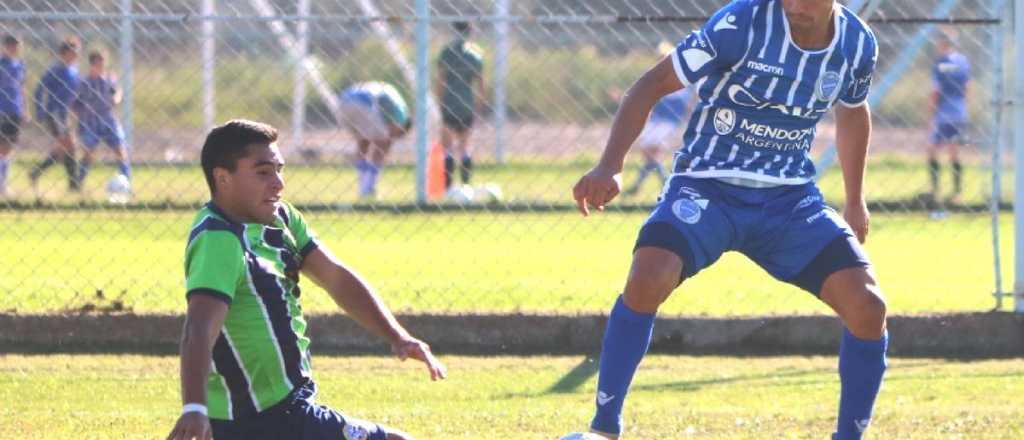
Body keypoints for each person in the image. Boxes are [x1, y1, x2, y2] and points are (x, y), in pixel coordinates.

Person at [570, 1, 887, 440]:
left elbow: (852, 110)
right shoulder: (741, 21)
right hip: (706, 187)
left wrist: (855, 200)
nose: (794, 5)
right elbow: (652, 84)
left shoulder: (857, 43)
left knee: (868, 307)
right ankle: (604, 429)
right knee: (647, 276)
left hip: (789, 201)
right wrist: (610, 165)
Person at [165, 120, 445, 440]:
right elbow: (199, 327)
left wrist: (397, 336)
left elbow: (335, 277)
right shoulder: (219, 238)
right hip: (266, 418)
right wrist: (194, 408)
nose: (278, 183)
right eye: (263, 172)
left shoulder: (281, 219)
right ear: (222, 178)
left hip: (286, 409)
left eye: (279, 170)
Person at [338, 81, 412, 199]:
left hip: (344, 101)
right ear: (403, 127)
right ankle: (367, 188)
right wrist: (389, 138)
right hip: (366, 102)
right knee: (383, 145)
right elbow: (391, 131)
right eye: (399, 135)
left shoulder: (388, 89)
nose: (395, 138)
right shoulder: (402, 114)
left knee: (363, 142)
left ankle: (363, 186)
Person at [435, 21, 485, 190]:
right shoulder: (475, 54)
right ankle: (466, 185)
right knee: (464, 146)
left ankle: (448, 187)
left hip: (449, 102)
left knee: (447, 146)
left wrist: (440, 103)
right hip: (467, 103)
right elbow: (481, 84)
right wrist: (478, 106)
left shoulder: (447, 52)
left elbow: (440, 80)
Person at [73, 50, 130, 192]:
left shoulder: (109, 80)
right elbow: (75, 103)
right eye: (98, 64)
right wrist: (82, 114)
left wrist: (116, 98)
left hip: (109, 120)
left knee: (120, 151)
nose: (101, 67)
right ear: (92, 65)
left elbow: (117, 91)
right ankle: (78, 184)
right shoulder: (84, 83)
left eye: (103, 64)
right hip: (90, 122)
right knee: (89, 154)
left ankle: (127, 183)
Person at [29, 37, 80, 193]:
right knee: (69, 145)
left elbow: (75, 93)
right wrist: (40, 111)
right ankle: (73, 185)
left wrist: (78, 107)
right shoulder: (55, 70)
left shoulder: (74, 70)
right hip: (55, 112)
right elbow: (39, 90)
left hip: (66, 113)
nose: (76, 55)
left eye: (77, 52)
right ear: (63, 53)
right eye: (73, 52)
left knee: (66, 148)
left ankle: (36, 172)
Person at [925, 31, 970, 206]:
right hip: (959, 111)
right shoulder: (963, 62)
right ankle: (957, 192)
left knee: (932, 149)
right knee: (954, 151)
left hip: (943, 113)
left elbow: (936, 91)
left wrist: (930, 113)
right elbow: (967, 87)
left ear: (942, 43)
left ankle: (934, 190)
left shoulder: (939, 64)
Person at [622, 85, 690, 197]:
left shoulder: (684, 84)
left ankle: (657, 185)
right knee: (650, 156)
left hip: (667, 122)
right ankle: (663, 184)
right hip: (654, 120)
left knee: (651, 155)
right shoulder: (661, 79)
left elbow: (684, 105)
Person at [0, 34, 28, 197]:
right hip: (1, 108)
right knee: (1, 146)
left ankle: (3, 184)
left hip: (15, 109)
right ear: (5, 46)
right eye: (11, 45)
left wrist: (25, 109)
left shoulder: (20, 65)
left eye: (17, 45)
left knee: (9, 148)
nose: (14, 48)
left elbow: (22, 88)